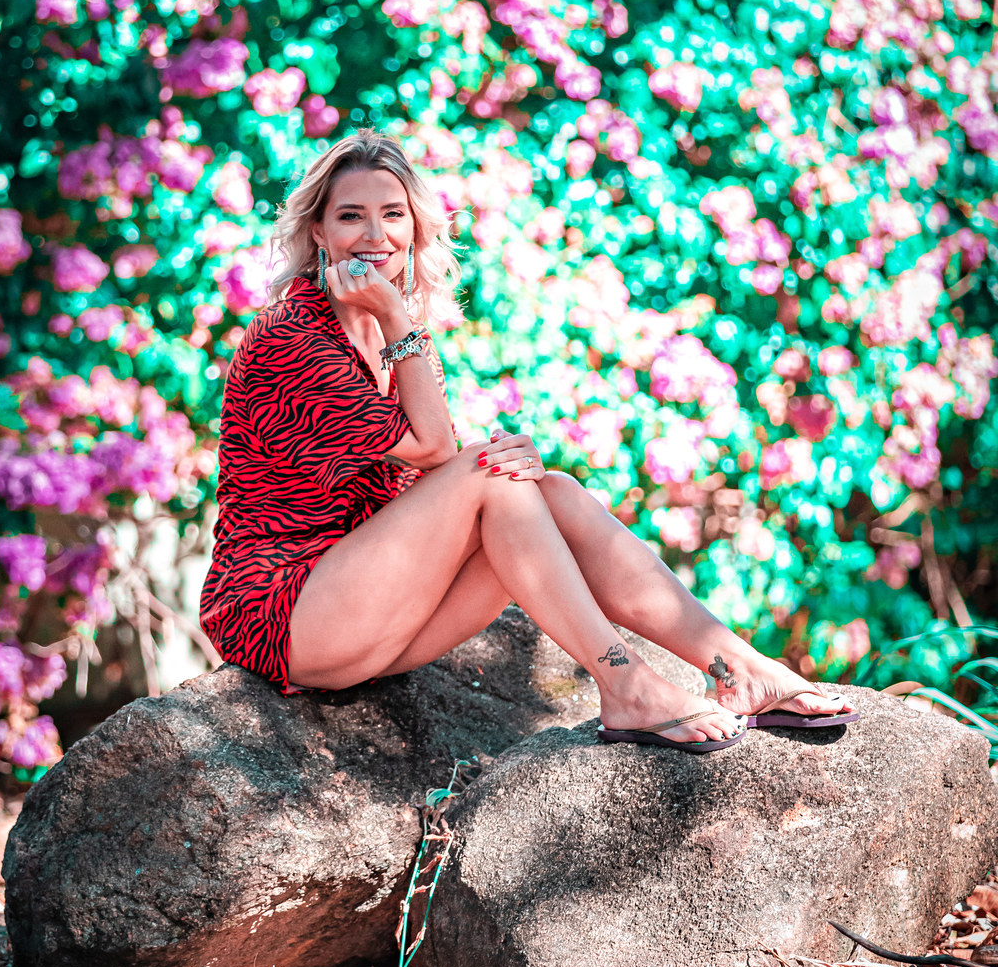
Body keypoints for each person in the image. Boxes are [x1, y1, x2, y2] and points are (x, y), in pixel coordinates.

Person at [199, 132, 857, 750]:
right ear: (318, 230)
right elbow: (434, 450)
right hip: (286, 613)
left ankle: (739, 667)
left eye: (393, 215)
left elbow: (428, 476)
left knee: (554, 492)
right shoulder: (294, 334)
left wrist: (511, 475)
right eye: (351, 217)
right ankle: (625, 685)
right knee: (493, 472)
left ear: (415, 226)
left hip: (371, 619)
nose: (375, 235)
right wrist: (402, 319)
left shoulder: (388, 336)